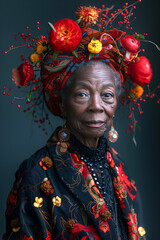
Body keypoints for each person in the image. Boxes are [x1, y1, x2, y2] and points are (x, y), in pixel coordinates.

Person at [4, 4, 153, 240]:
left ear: (115, 103)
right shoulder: (34, 175)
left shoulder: (120, 169)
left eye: (107, 95)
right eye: (82, 94)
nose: (97, 105)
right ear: (61, 103)